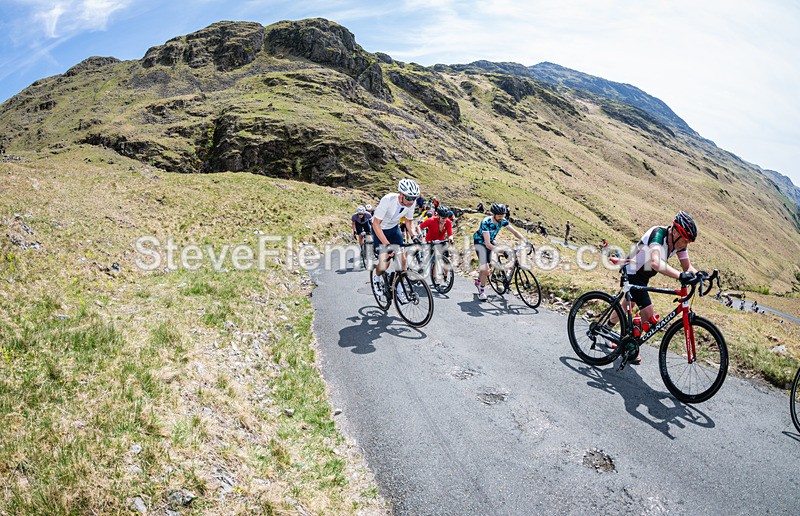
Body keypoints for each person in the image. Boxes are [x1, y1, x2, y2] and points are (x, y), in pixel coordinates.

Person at [610, 211, 699, 364]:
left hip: (643, 276)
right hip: (633, 273)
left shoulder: (678, 245)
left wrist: (701, 276)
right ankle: (629, 346)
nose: (685, 245)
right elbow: (656, 263)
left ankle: (608, 329)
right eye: (685, 240)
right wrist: (680, 275)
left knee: (626, 307)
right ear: (676, 231)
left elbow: (688, 267)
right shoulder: (658, 234)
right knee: (650, 320)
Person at [372, 179, 422, 299]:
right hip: (380, 230)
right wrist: (387, 245)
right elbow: (375, 224)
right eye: (409, 198)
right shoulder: (388, 200)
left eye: (414, 198)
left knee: (403, 260)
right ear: (401, 194)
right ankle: (376, 278)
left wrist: (414, 236)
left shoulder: (411, 202)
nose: (412, 201)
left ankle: (400, 289)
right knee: (385, 262)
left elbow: (409, 222)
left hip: (394, 229)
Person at [472, 203, 527, 301]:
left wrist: (524, 240)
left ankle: (479, 281)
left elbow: (514, 232)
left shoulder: (503, 221)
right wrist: (502, 251)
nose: (501, 218)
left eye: (503, 215)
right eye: (499, 216)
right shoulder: (486, 222)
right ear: (493, 214)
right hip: (480, 243)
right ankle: (481, 290)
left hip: (491, 240)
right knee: (486, 269)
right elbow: (488, 244)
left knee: (487, 265)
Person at [420, 205, 454, 283]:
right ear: (438, 216)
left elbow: (450, 233)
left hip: (441, 241)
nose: (444, 220)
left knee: (447, 260)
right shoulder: (431, 221)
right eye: (443, 218)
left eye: (446, 217)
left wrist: (451, 238)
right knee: (435, 260)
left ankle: (445, 277)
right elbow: (420, 227)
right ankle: (435, 278)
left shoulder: (448, 222)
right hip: (430, 242)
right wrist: (420, 235)